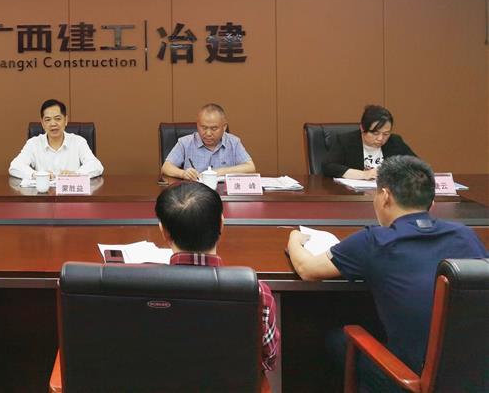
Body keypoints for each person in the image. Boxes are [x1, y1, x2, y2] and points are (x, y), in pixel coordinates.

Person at [287, 156, 487, 391]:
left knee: (339, 339)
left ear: (385, 196)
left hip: (416, 381)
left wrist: (294, 238)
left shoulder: (375, 240)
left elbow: (307, 269)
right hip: (477, 375)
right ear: (432, 202)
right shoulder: (465, 235)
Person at [156, 181, 280, 372]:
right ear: (222, 224)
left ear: (164, 232)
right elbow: (269, 359)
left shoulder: (140, 288)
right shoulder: (256, 292)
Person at [9, 99, 103, 179]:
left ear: (66, 120)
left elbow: (96, 166)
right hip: (43, 193)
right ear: (42, 123)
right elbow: (15, 166)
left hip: (70, 193)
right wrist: (37, 175)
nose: (53, 124)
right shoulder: (33, 143)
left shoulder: (78, 142)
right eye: (48, 120)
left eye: (58, 119)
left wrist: (76, 174)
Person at [161, 103, 255, 181]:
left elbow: (250, 168)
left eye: (214, 128)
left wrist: (219, 172)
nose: (208, 133)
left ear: (224, 127)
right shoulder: (185, 142)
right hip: (194, 192)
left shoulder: (233, 142)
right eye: (204, 127)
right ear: (197, 125)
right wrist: (183, 173)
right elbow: (166, 167)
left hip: (224, 193)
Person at [322, 104, 417, 180]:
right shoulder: (346, 141)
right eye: (375, 133)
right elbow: (328, 166)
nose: (380, 138)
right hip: (356, 195)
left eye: (386, 134)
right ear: (362, 128)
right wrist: (364, 174)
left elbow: (417, 165)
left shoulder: (395, 142)